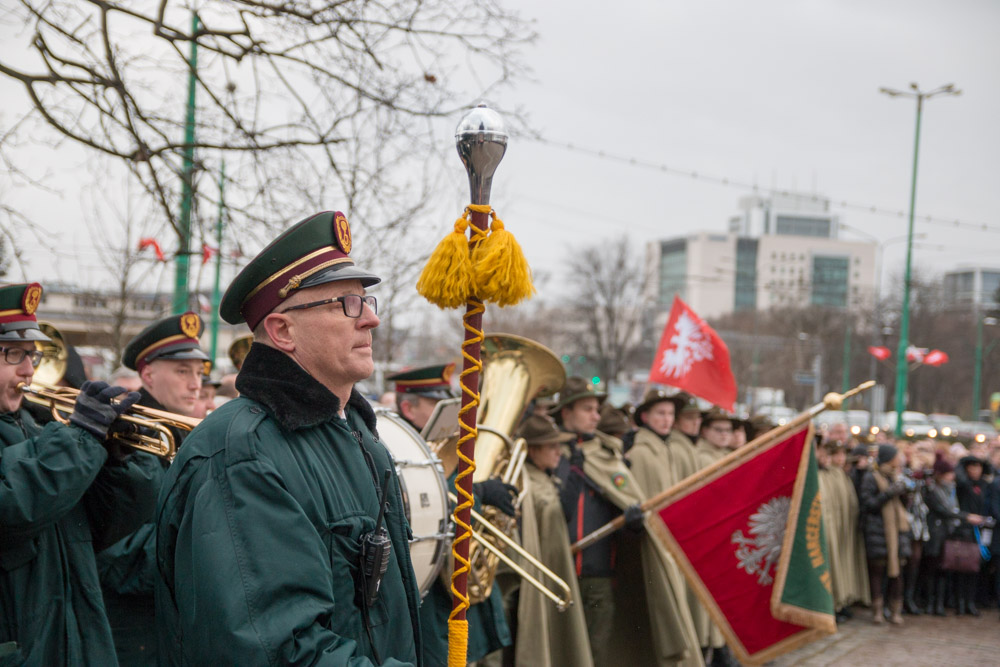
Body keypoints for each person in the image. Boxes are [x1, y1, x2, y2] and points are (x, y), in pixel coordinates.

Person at [155, 211, 422, 664]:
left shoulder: (357, 432)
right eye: (345, 304)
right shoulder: (244, 455)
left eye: (367, 302)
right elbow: (277, 649)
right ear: (282, 331)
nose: (370, 321)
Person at [0, 282, 161, 665]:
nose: (28, 369)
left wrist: (117, 463)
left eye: (32, 356)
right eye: (12, 354)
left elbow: (103, 529)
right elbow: (14, 508)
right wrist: (81, 439)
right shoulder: (53, 436)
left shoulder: (36, 427)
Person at [551, 377, 702, 667]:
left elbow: (624, 507)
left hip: (598, 577)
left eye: (597, 409)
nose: (596, 415)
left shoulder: (607, 456)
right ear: (566, 412)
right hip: (556, 573)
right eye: (587, 409)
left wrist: (633, 525)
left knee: (594, 654)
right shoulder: (549, 454)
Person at [97, 313, 211, 666]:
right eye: (182, 371)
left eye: (199, 372)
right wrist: (204, 539)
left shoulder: (189, 434)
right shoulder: (124, 438)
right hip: (133, 635)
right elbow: (117, 561)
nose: (196, 384)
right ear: (147, 374)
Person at [387, 363, 512, 664]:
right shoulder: (395, 451)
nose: (453, 414)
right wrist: (478, 495)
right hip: (432, 602)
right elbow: (421, 513)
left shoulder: (449, 449)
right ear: (408, 408)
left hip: (462, 599)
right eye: (438, 405)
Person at [627, 389, 725, 665]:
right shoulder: (642, 453)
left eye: (670, 413)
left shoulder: (665, 449)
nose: (667, 419)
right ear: (645, 416)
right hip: (655, 544)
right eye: (660, 413)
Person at [511, 414, 593, 667]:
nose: (559, 452)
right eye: (551, 446)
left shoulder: (544, 476)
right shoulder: (525, 482)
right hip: (531, 580)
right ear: (532, 449)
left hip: (549, 570)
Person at [922, 455, 985, 616]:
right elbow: (944, 510)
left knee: (944, 569)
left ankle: (939, 604)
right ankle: (930, 602)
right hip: (935, 534)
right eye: (949, 473)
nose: (953, 476)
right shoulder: (932, 489)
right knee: (932, 570)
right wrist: (966, 517)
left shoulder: (951, 489)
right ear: (941, 474)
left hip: (947, 533)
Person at [859, 444, 913, 625]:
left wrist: (906, 493)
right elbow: (869, 504)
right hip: (878, 533)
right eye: (897, 456)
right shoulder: (871, 477)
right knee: (877, 573)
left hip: (898, 533)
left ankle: (895, 610)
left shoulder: (898, 476)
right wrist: (889, 493)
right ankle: (877, 611)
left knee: (897, 574)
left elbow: (905, 506)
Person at [817, 440, 870, 622]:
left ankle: (844, 600)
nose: (840, 459)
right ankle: (835, 604)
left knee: (845, 563)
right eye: (836, 455)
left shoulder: (840, 475)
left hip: (845, 529)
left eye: (842, 455)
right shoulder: (823, 476)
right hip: (832, 529)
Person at [954, 455, 990, 616]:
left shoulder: (983, 485)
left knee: (975, 568)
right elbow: (959, 471)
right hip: (964, 530)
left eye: (978, 467)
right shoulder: (963, 484)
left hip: (980, 531)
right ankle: (960, 603)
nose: (976, 470)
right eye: (972, 467)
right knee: (963, 568)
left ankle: (970, 602)